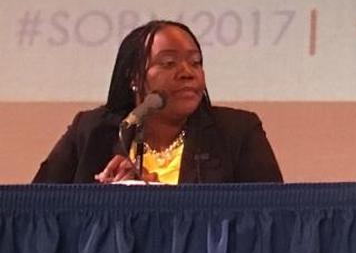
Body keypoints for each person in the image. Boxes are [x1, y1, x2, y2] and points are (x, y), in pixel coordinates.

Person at [33, 20, 283, 184]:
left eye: (195, 62)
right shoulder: (91, 130)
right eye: (168, 63)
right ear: (134, 77)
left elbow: (268, 220)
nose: (188, 72)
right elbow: (37, 211)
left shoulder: (236, 132)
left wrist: (157, 200)